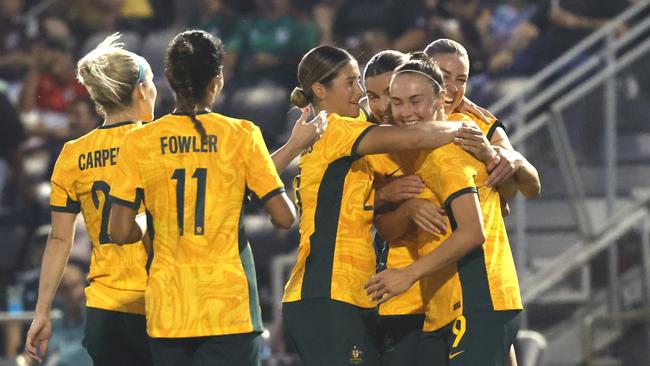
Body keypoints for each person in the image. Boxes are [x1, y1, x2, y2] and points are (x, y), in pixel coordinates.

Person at [107, 29, 297, 366]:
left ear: (168, 78)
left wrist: (150, 224)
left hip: (170, 305)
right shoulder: (241, 135)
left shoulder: (140, 142)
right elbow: (284, 217)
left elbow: (119, 232)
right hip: (229, 304)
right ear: (217, 80)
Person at [281, 45, 470, 365]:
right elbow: (414, 137)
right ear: (319, 90)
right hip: (330, 292)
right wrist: (466, 127)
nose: (360, 94)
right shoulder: (339, 128)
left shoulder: (317, 136)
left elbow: (346, 204)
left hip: (332, 294)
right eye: (351, 83)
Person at [365, 55, 522, 366]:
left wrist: (407, 274)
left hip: (475, 296)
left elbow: (473, 231)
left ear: (440, 98)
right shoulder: (417, 149)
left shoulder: (447, 150)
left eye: (414, 101)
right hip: (444, 303)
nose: (403, 111)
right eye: (397, 102)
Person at [25, 33, 156, 366]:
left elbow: (58, 239)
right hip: (157, 304)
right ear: (140, 90)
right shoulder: (157, 142)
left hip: (103, 311)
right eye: (152, 82)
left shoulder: (72, 154)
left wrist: (42, 312)